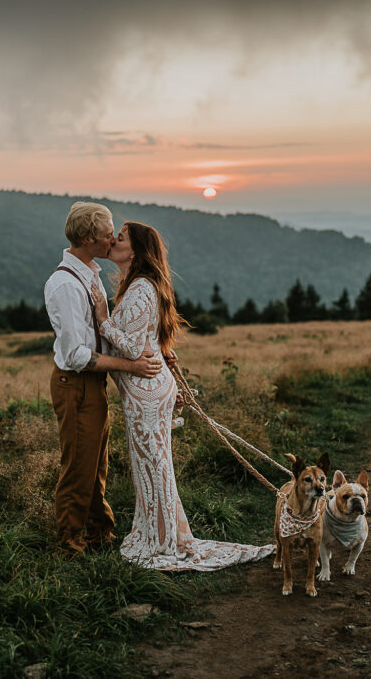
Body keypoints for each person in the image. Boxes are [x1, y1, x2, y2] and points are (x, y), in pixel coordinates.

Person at [90, 221, 275, 570]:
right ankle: (159, 534)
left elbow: (132, 349)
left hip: (146, 391)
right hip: (146, 388)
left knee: (153, 467)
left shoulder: (142, 288)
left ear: (137, 250)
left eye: (122, 237)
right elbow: (148, 339)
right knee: (152, 466)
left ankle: (161, 542)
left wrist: (102, 319)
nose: (114, 240)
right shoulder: (138, 286)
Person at [44, 202, 163, 555]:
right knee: (79, 465)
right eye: (107, 231)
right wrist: (132, 367)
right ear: (87, 238)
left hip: (93, 384)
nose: (113, 236)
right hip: (75, 383)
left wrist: (157, 350)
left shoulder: (90, 274)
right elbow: (75, 355)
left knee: (96, 464)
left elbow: (106, 334)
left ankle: (100, 533)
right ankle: (69, 544)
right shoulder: (65, 285)